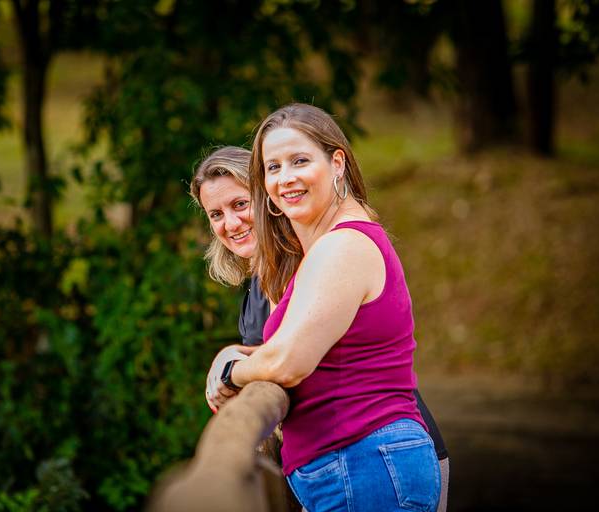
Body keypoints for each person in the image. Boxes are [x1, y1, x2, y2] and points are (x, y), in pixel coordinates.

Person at [190, 141, 449, 511]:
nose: (230, 223)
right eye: (215, 214)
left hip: (374, 457)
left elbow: (290, 360)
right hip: (337, 463)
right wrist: (232, 355)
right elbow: (282, 349)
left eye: (240, 204)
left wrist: (230, 372)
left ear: (267, 199)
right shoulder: (261, 279)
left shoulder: (310, 261)